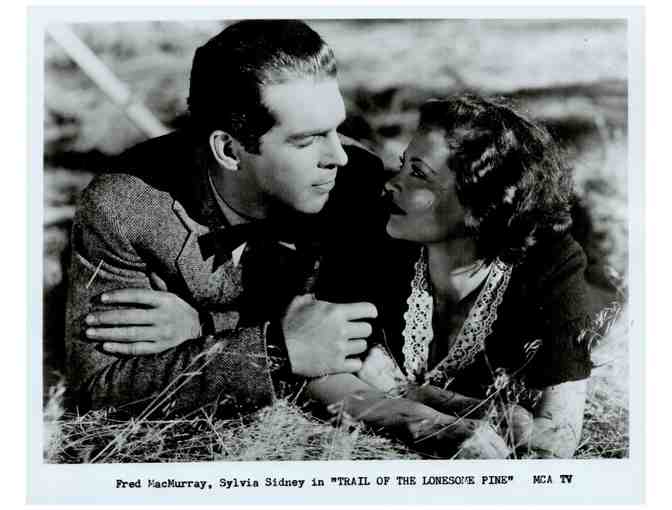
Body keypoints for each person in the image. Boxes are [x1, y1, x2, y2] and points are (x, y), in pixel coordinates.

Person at [63, 20, 388, 417]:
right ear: (230, 151)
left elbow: (350, 325)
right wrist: (273, 351)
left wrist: (207, 327)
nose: (338, 156)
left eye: (337, 128)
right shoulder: (122, 209)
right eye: (307, 140)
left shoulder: (357, 180)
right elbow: (98, 391)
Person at [307, 94, 601, 459]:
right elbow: (319, 373)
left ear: (482, 202)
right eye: (402, 164)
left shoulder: (553, 266)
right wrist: (424, 418)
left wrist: (419, 394)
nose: (391, 184)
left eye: (418, 173)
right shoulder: (376, 233)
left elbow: (556, 437)